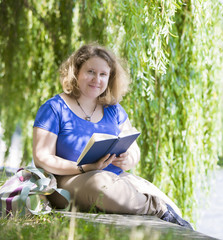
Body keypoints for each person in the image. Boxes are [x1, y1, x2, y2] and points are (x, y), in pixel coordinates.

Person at [32, 43, 193, 230]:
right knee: (100, 184)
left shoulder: (113, 109)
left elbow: (133, 146)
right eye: (90, 71)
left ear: (110, 78)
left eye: (103, 74)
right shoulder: (54, 108)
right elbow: (42, 158)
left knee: (121, 186)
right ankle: (157, 209)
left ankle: (164, 209)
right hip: (67, 181)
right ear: (76, 71)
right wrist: (85, 167)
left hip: (115, 178)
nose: (96, 79)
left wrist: (129, 158)